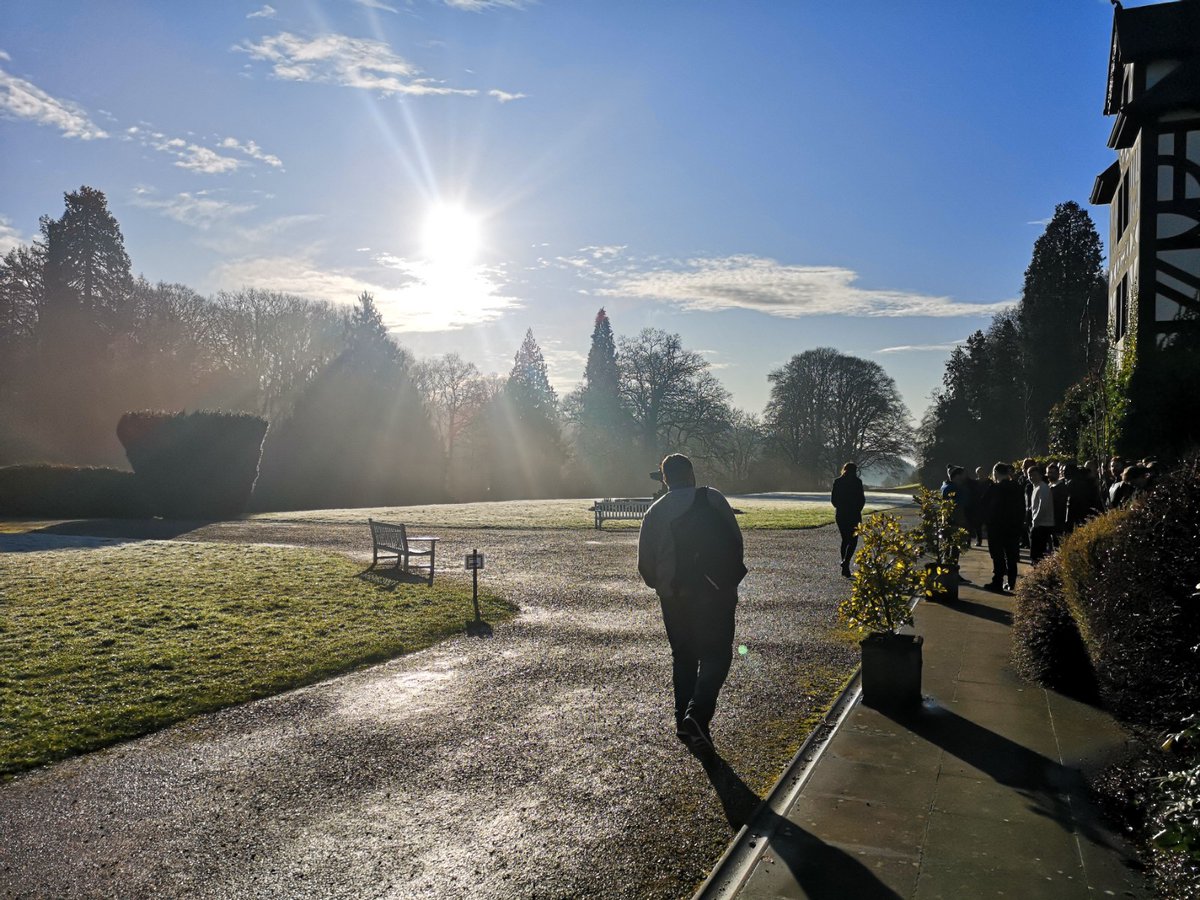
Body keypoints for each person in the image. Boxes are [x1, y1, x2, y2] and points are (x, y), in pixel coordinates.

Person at [638, 453, 745, 751]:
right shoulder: (713, 499)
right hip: (715, 592)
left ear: (664, 478)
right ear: (691, 474)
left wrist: (662, 585)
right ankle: (697, 714)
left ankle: (683, 722)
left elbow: (644, 564)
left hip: (673, 595)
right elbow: (735, 542)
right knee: (717, 654)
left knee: (683, 656)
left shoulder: (655, 512)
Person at [983, 462, 1025, 593]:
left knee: (998, 555)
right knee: (1011, 556)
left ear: (995, 473)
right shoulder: (1017, 487)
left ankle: (998, 581)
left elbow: (986, 505)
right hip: (1013, 526)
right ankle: (1011, 582)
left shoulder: (995, 488)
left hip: (997, 527)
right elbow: (1022, 507)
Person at [830, 462, 866, 578]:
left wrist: (840, 507)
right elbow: (861, 499)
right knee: (853, 540)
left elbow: (833, 500)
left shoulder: (838, 482)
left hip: (841, 514)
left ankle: (845, 564)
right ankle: (846, 561)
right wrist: (857, 509)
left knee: (845, 539)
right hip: (854, 514)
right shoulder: (857, 482)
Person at [1027, 465, 1055, 563]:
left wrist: (1036, 521)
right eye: (1029, 475)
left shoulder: (1043, 487)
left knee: (1038, 553)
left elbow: (1043, 506)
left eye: (1034, 475)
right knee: (1035, 552)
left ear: (1040, 475)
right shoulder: (1036, 487)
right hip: (1039, 523)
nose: (1031, 477)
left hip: (1043, 524)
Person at [969, 466, 989, 546]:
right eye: (979, 472)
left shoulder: (989, 482)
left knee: (988, 524)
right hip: (978, 506)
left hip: (987, 506)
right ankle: (979, 540)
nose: (980, 474)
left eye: (982, 472)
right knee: (978, 525)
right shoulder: (975, 483)